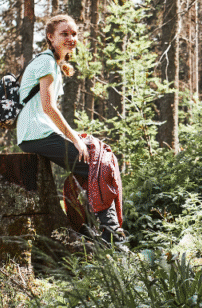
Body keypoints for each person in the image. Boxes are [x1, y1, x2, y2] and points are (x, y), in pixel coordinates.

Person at [17, 14, 124, 241]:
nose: (71, 38)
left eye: (74, 34)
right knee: (96, 167)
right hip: (36, 133)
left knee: (96, 159)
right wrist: (74, 138)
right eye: (64, 34)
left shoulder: (55, 64)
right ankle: (112, 236)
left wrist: (75, 136)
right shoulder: (46, 62)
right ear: (50, 37)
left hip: (40, 131)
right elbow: (48, 107)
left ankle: (91, 230)